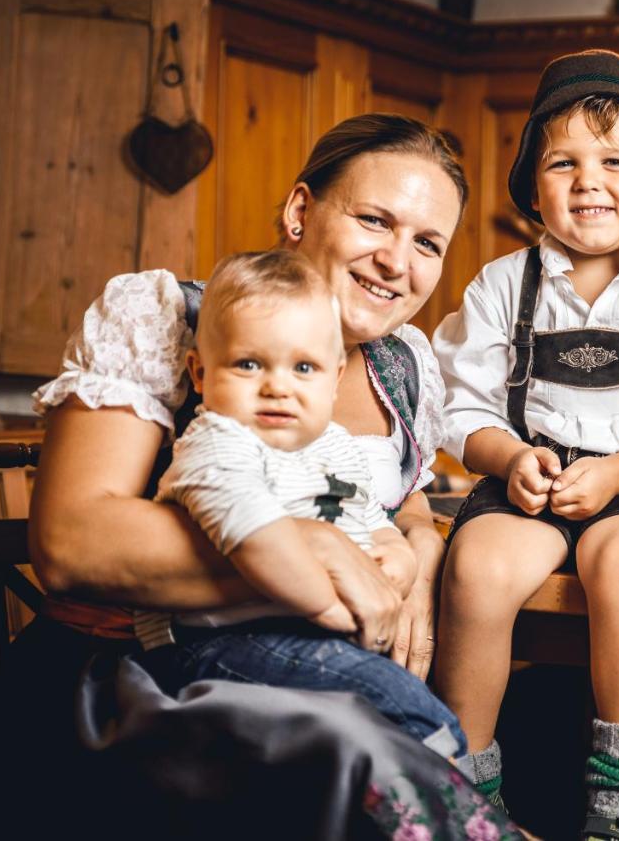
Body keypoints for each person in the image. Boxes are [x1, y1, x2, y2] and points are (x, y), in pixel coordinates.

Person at [0, 114, 506, 838]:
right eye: (374, 220)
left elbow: (391, 487)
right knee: (366, 754)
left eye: (426, 243)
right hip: (138, 682)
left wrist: (419, 541)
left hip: (317, 670)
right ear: (300, 211)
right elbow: (72, 540)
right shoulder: (175, 318)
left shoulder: (402, 363)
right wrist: (316, 551)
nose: (396, 260)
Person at [431, 49, 619, 840]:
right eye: (562, 163)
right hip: (528, 478)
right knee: (474, 566)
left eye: (615, 161)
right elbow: (458, 408)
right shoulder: (503, 287)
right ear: (534, 187)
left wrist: (616, 474)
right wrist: (508, 458)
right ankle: (468, 797)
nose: (588, 181)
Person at [137, 249, 463, 757]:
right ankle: (458, 815)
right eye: (248, 364)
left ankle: (425, 808)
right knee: (406, 711)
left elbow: (366, 513)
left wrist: (392, 551)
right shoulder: (217, 443)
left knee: (400, 710)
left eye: (304, 367)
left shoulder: (332, 445)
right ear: (199, 374)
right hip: (216, 638)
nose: (278, 387)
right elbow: (259, 538)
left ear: (334, 379)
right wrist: (338, 610)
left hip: (299, 634)